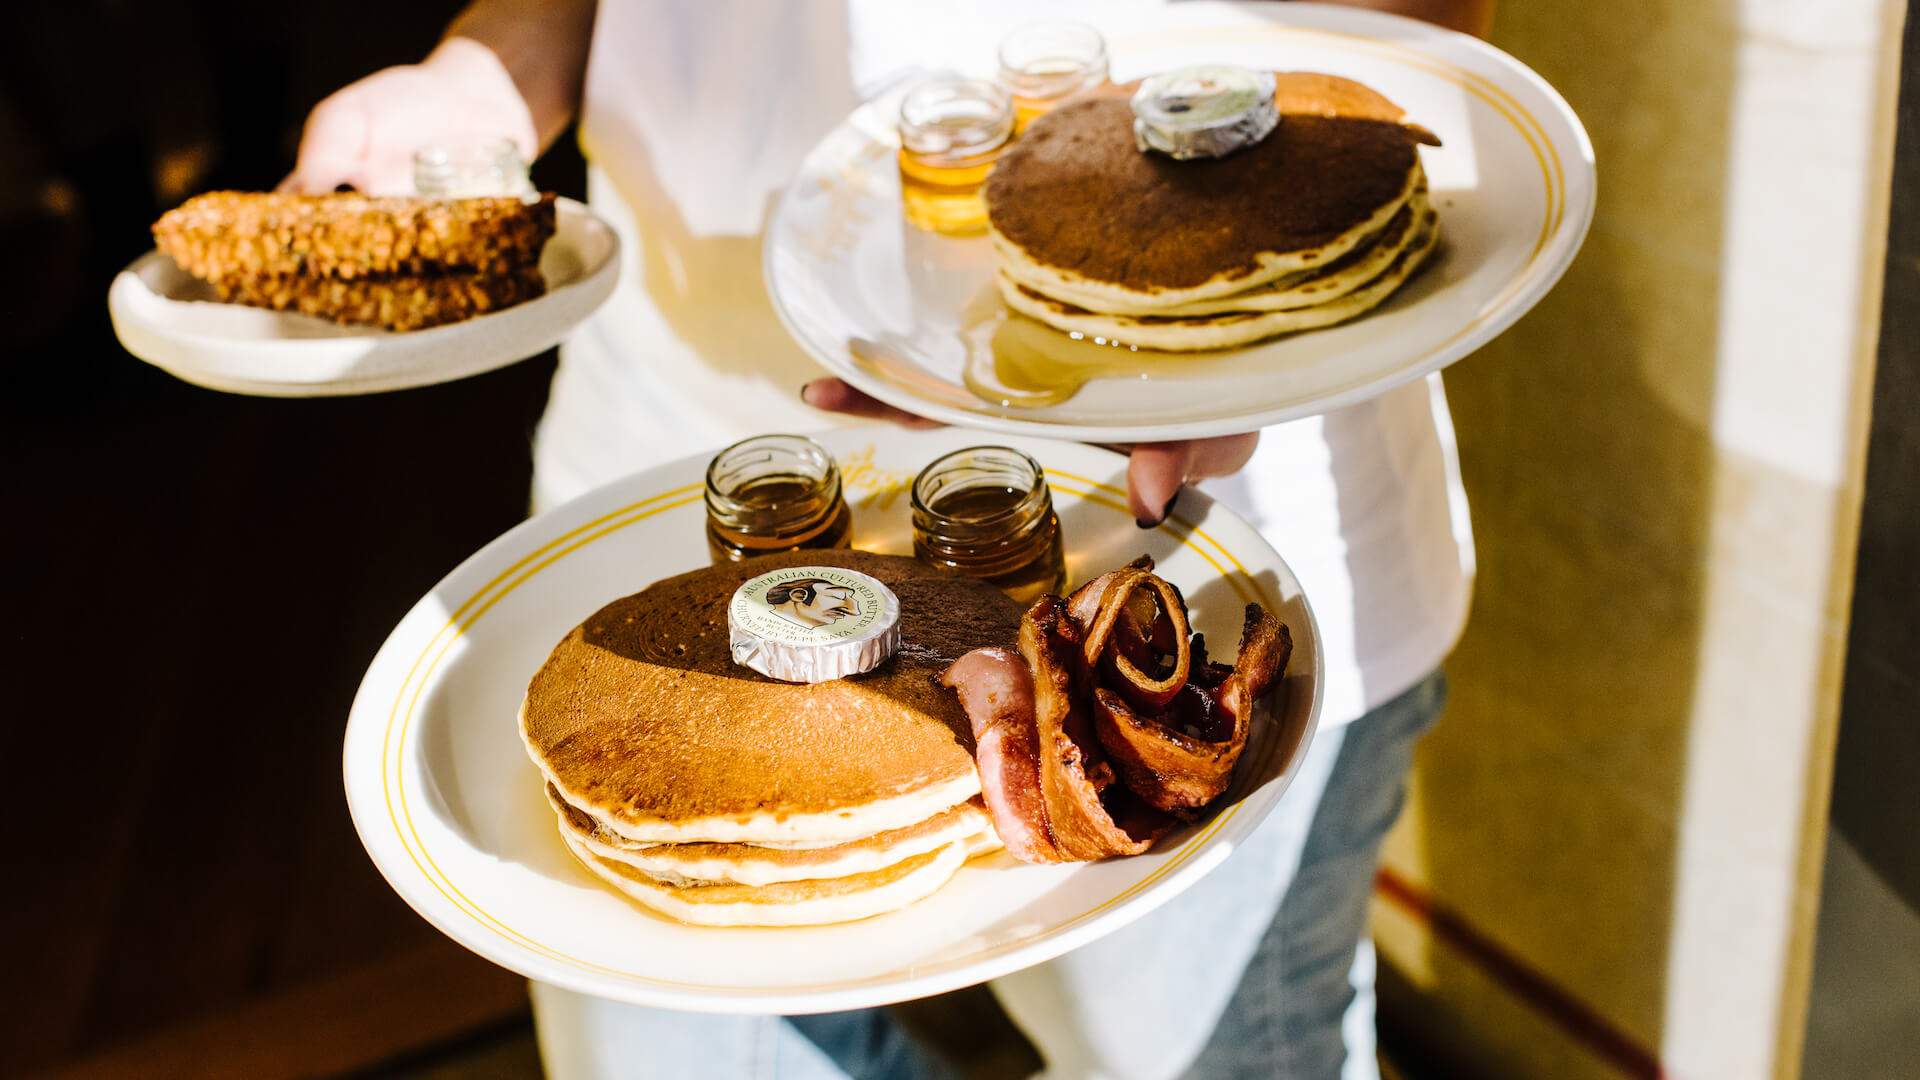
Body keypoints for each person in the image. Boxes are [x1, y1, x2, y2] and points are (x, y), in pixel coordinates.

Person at [287, 1, 1493, 1076]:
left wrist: (1226, 325)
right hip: (674, 468)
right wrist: (487, 70)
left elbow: (1403, 26)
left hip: (1164, 511)